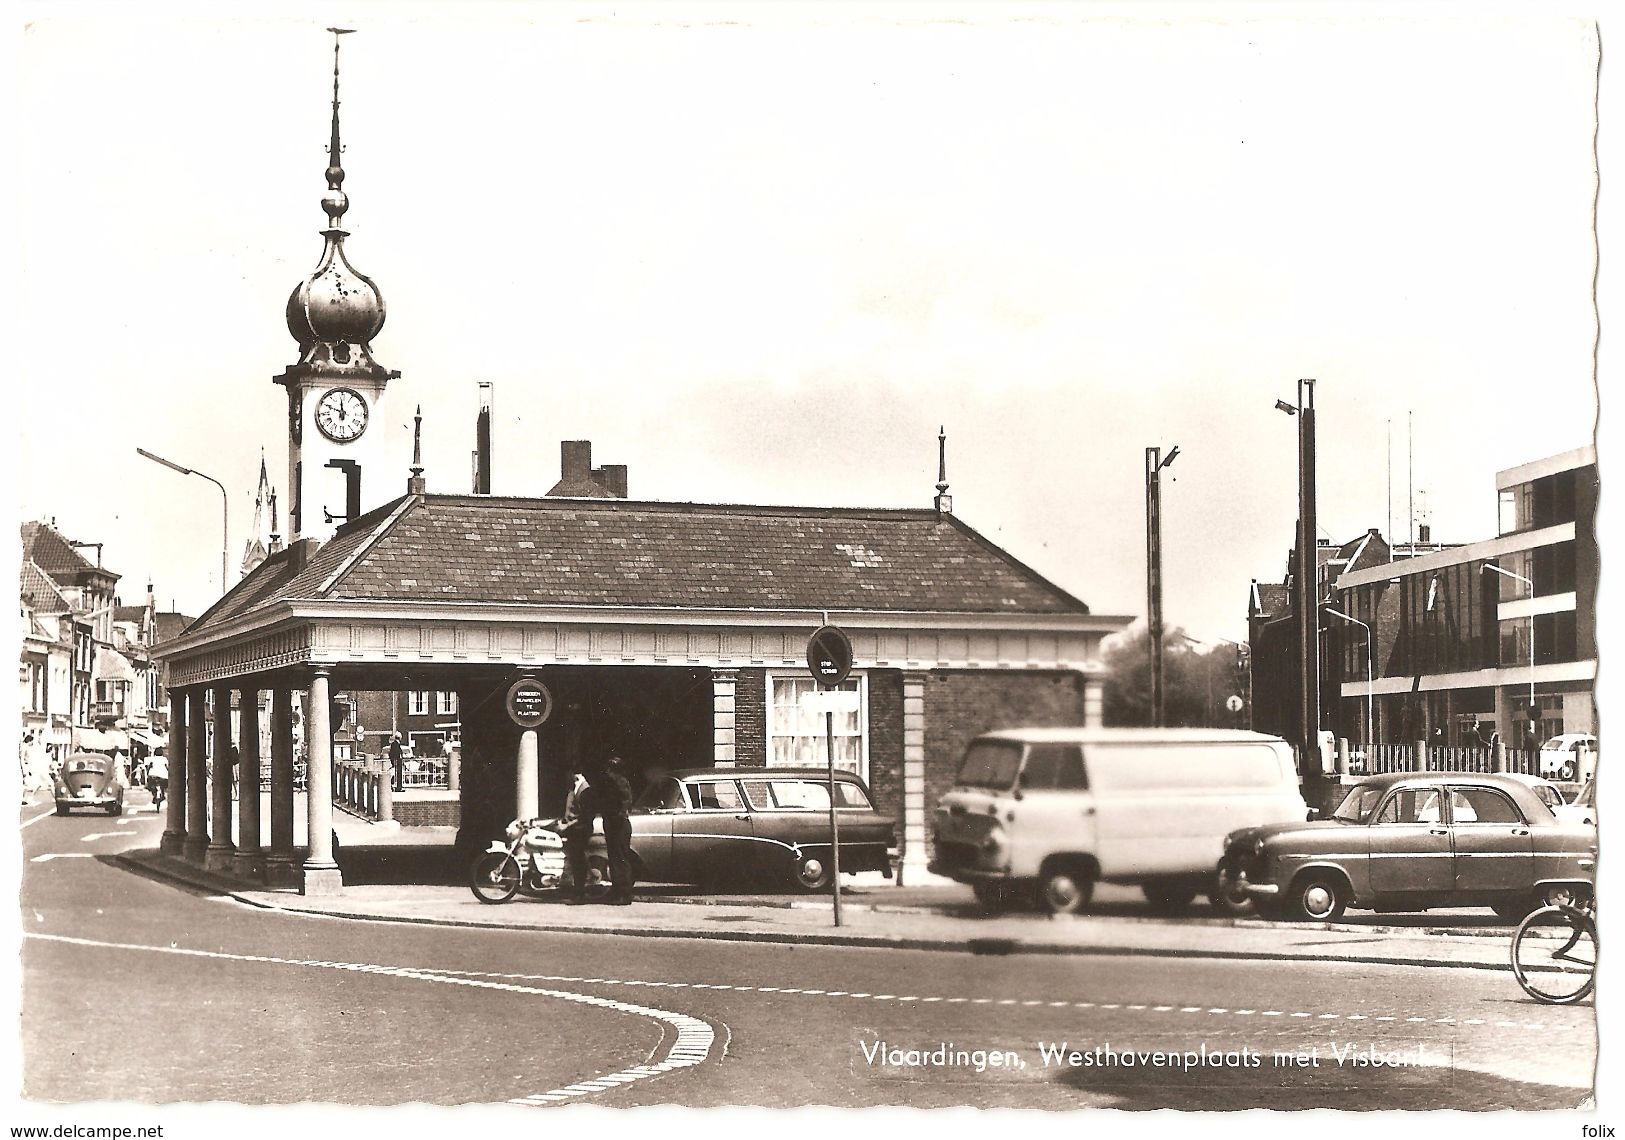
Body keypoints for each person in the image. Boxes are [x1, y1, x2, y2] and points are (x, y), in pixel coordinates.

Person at [561, 756, 635, 906]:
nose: (608, 772)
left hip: (618, 825)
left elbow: (622, 804)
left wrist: (613, 815)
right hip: (613, 824)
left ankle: (624, 894)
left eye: (610, 769)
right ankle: (617, 890)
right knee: (615, 858)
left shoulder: (619, 782)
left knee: (620, 859)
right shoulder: (615, 782)